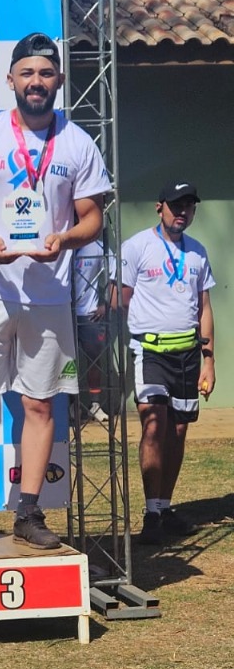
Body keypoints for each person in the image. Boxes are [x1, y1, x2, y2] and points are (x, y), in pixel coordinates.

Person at [0, 32, 109, 555]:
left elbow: (93, 218)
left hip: (49, 294)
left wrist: (66, 240)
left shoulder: (78, 142)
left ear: (59, 80)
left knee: (39, 404)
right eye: (28, 73)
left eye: (46, 73)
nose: (37, 82)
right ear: (10, 78)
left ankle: (28, 513)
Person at [111, 182, 215, 545]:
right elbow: (119, 298)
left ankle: (165, 507)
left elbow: (204, 308)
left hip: (188, 355)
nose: (182, 212)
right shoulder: (137, 246)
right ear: (160, 207)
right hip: (150, 352)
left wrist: (209, 360)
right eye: (176, 205)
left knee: (179, 431)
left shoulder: (198, 252)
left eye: (189, 206)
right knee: (154, 425)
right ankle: (151, 514)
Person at [74, 238, 111, 427]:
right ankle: (72, 406)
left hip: (89, 314)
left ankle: (95, 405)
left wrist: (106, 304)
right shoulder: (57, 243)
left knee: (94, 359)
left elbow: (117, 273)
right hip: (63, 312)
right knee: (65, 363)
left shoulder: (97, 246)